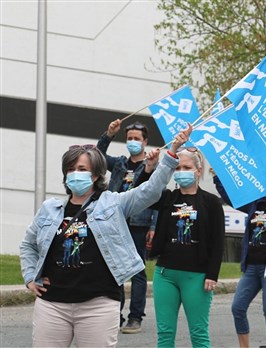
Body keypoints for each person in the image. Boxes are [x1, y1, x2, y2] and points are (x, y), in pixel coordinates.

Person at [19, 128, 191, 347]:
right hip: (52, 305)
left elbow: (150, 190)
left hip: (98, 305)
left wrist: (172, 152)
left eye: (81, 169)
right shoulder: (49, 209)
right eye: (70, 169)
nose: (75, 174)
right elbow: (28, 245)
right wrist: (30, 277)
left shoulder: (113, 203)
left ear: (95, 174)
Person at [141, 146, 225, 348]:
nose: (181, 172)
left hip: (196, 276)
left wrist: (212, 274)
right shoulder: (168, 198)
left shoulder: (211, 202)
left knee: (198, 334)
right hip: (165, 274)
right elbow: (143, 193)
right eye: (177, 168)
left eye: (186, 167)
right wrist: (149, 168)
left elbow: (218, 241)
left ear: (198, 171)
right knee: (165, 334)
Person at [96, 119, 158, 333]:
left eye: (136, 139)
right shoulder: (120, 164)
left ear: (145, 141)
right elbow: (98, 156)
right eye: (129, 138)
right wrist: (108, 134)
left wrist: (154, 226)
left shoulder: (150, 165)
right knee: (116, 269)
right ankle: (116, 314)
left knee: (137, 271)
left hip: (139, 224)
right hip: (116, 220)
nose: (132, 141)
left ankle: (135, 317)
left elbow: (156, 195)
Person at [213, 173, 266, 348]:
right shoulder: (254, 204)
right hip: (252, 267)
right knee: (237, 308)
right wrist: (218, 176)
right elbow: (231, 198)